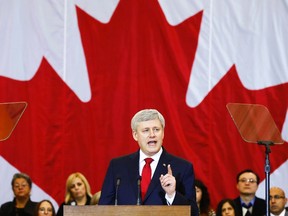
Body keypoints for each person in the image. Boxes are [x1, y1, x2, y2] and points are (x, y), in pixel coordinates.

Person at [98, 109, 199, 216]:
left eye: (156, 129)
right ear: (135, 135)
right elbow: (103, 208)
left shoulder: (182, 167)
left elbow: (193, 213)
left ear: (163, 133)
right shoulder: (118, 166)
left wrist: (171, 195)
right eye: (146, 130)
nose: (152, 135)